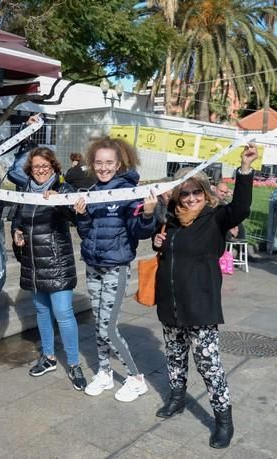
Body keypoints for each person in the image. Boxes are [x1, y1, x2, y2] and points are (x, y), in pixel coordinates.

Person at [152, 144, 258, 449]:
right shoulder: (171, 220)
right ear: (177, 196)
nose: (191, 198)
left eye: (196, 192)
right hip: (170, 304)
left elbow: (241, 208)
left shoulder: (215, 218)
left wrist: (246, 169)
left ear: (205, 191)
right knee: (174, 357)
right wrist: (158, 242)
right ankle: (176, 398)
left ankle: (224, 421)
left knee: (209, 363)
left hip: (200, 306)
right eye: (184, 193)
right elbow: (166, 251)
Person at [73, 138, 157, 401]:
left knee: (108, 328)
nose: (103, 167)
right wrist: (82, 216)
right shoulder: (93, 191)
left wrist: (147, 214)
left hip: (115, 267)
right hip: (93, 265)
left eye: (109, 162)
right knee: (99, 324)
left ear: (119, 164)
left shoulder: (128, 191)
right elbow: (86, 233)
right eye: (98, 162)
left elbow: (139, 232)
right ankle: (104, 372)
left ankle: (135, 378)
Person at [11, 147, 87, 391]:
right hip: (33, 261)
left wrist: (61, 203)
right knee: (42, 311)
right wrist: (17, 232)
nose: (40, 171)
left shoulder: (64, 190)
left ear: (54, 168)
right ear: (30, 170)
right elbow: (17, 218)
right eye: (36, 167)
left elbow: (77, 220)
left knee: (63, 312)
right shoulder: (25, 190)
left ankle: (74, 364)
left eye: (45, 166)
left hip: (57, 261)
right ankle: (49, 357)